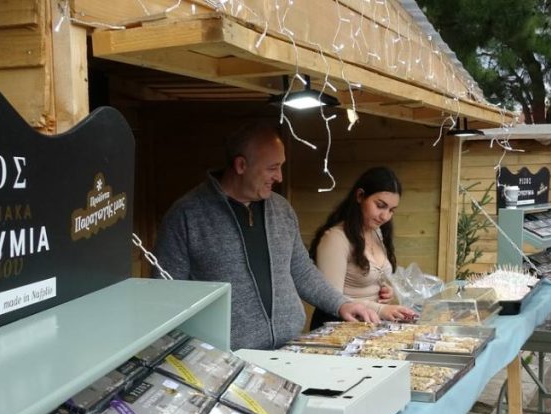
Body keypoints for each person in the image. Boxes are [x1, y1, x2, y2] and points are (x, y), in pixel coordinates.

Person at [154, 120, 379, 351]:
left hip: (290, 347)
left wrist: (341, 304)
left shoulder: (281, 209)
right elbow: (166, 293)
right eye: (272, 168)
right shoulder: (186, 216)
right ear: (241, 165)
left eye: (281, 167)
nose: (280, 177)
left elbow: (300, 269)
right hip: (227, 358)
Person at [308, 167, 416, 328]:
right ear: (360, 196)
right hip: (338, 329)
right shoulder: (335, 239)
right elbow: (330, 298)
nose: (385, 216)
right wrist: (381, 309)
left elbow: (369, 280)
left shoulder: (377, 232)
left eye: (391, 210)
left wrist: (386, 291)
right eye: (380, 205)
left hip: (369, 326)